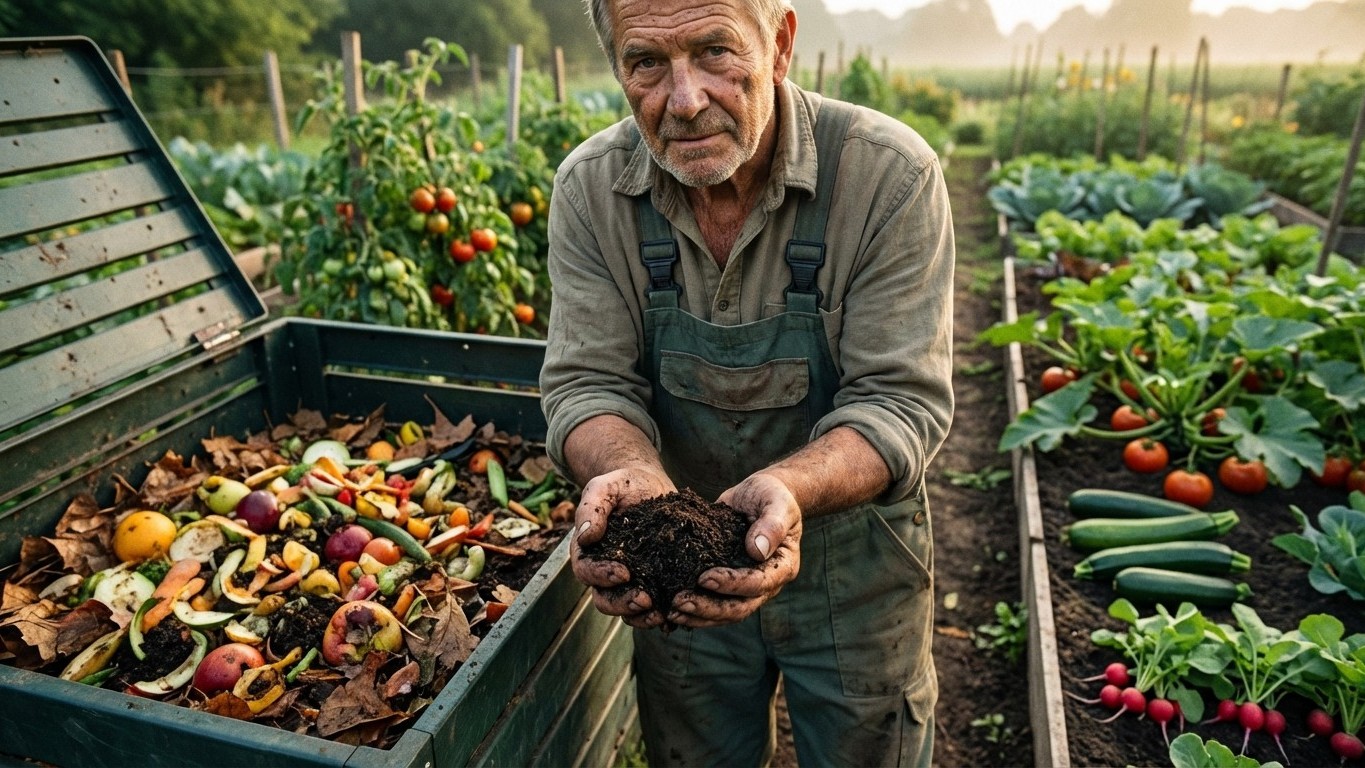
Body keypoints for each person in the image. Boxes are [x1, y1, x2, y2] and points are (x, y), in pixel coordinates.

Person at [538, 0, 955, 764]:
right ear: (616, 69)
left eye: (715, 51)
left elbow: (900, 401)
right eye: (646, 63)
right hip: (674, 579)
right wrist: (629, 473)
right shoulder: (591, 192)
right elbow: (585, 383)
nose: (685, 100)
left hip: (855, 576)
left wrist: (789, 489)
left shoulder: (885, 176)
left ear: (781, 43)